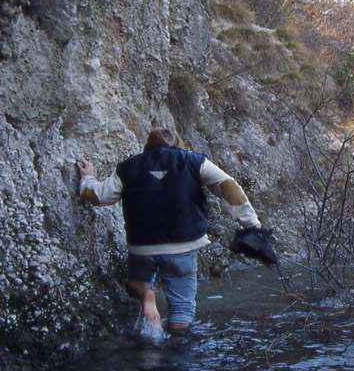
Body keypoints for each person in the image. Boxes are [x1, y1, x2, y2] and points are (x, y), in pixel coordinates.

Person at [77, 127, 262, 334]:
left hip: (142, 248)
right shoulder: (194, 162)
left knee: (134, 285)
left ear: (148, 145)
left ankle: (145, 293)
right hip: (184, 246)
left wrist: (87, 178)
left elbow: (98, 196)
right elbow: (228, 187)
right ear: (179, 143)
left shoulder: (129, 167)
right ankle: (176, 352)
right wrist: (252, 224)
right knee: (182, 309)